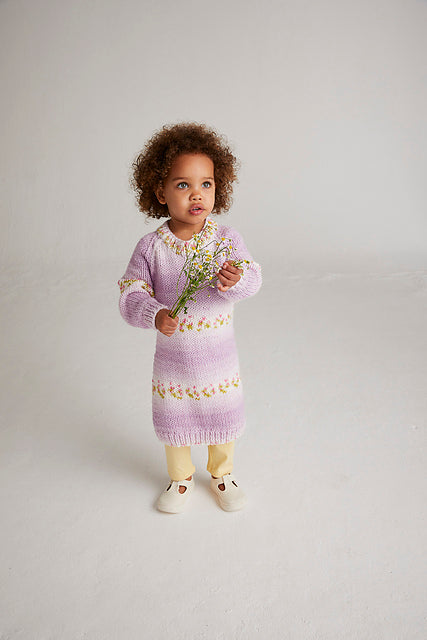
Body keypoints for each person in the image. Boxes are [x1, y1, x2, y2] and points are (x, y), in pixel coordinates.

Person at [118, 122, 262, 513]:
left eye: (206, 184)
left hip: (218, 360)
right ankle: (180, 478)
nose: (196, 194)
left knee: (223, 415)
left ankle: (222, 473)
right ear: (159, 192)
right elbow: (131, 292)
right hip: (174, 363)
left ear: (219, 188)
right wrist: (154, 313)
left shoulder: (225, 240)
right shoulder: (151, 248)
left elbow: (252, 276)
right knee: (174, 418)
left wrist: (236, 280)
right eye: (183, 184)